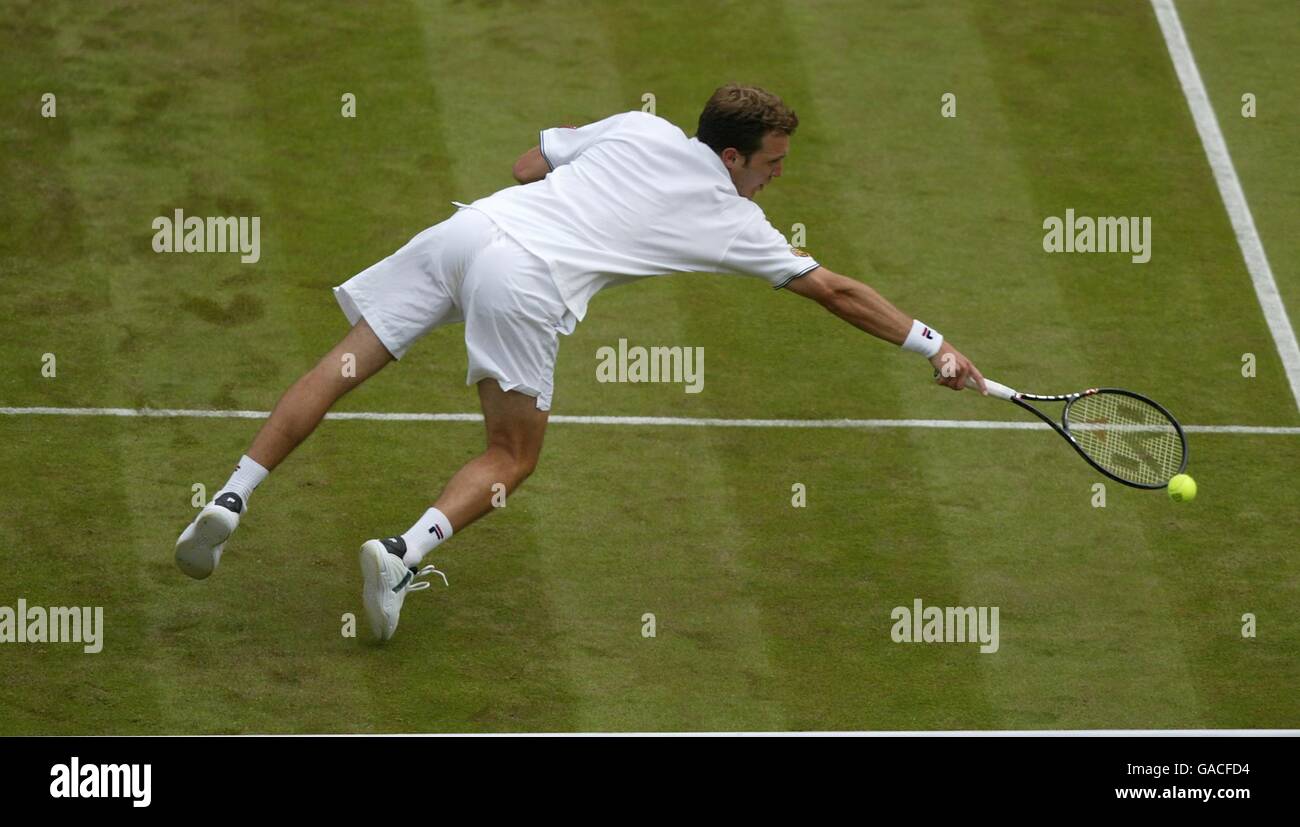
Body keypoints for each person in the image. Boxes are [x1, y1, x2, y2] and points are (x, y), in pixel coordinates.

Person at [174, 83, 987, 642]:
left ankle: (232, 496)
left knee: (343, 364)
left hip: (467, 233)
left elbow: (528, 166)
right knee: (512, 455)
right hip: (522, 280)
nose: (778, 176)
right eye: (772, 162)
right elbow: (837, 291)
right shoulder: (733, 222)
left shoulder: (641, 129)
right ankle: (399, 554)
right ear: (734, 158)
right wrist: (935, 344)